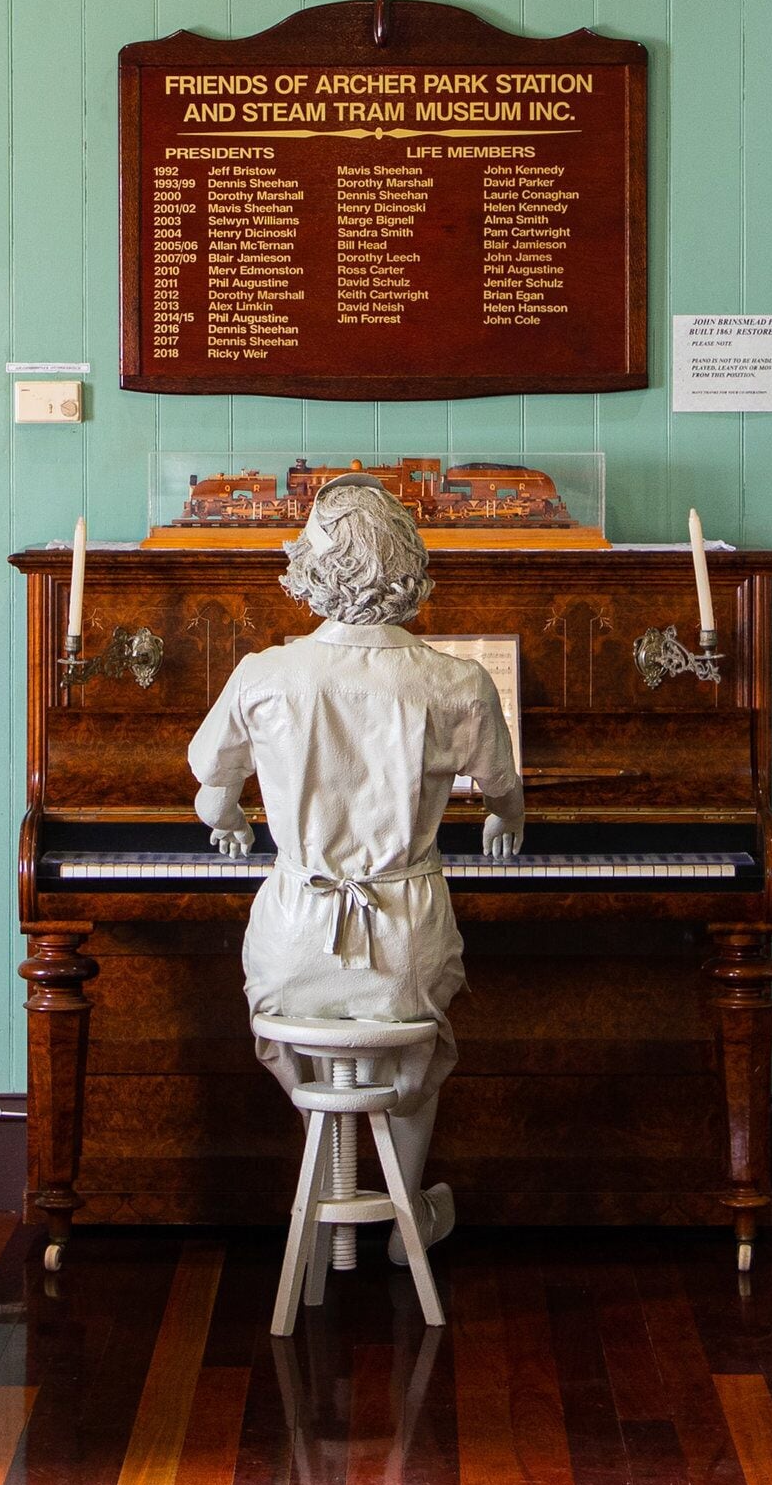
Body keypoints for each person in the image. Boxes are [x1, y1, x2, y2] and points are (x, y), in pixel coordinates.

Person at [187, 474, 525, 1244]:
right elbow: (504, 791)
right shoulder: (457, 681)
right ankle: (410, 1218)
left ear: (310, 572)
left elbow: (211, 795)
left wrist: (235, 819)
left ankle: (325, 1190)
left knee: (304, 1044)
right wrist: (507, 820)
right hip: (404, 934)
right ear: (408, 569)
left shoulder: (263, 674)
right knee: (409, 1063)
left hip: (294, 938)